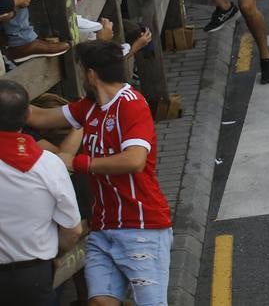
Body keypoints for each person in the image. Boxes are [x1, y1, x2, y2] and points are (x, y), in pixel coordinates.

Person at [24, 41, 174, 305]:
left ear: (91, 74)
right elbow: (39, 118)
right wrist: (9, 100)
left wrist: (78, 162)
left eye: (82, 71)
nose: (82, 77)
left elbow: (135, 160)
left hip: (141, 229)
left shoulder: (132, 104)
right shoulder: (88, 107)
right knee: (99, 302)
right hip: (103, 232)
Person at [0, 79, 83, 305]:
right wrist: (54, 254)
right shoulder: (49, 164)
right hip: (35, 274)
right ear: (28, 114)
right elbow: (73, 230)